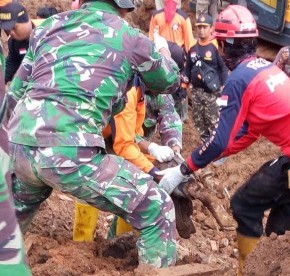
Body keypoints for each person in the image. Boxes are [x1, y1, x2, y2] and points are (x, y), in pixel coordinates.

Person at [155, 5, 290, 274]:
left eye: (221, 44)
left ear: (226, 45)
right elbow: (249, 132)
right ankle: (285, 268)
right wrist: (217, 155)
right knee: (282, 229)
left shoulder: (239, 78)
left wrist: (185, 168)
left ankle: (250, 271)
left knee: (243, 204)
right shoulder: (265, 69)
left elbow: (220, 139)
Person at [4, 0, 181, 269]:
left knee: (10, 228)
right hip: (69, 153)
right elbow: (169, 81)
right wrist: (163, 52)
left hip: (21, 145)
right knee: (158, 209)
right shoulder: (130, 37)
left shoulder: (49, 26)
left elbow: (15, 93)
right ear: (126, 5)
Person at [73, 76, 183, 241]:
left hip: (131, 143)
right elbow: (124, 139)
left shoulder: (159, 89)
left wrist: (175, 149)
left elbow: (169, 118)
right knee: (88, 185)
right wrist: (153, 165)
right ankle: (82, 241)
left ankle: (119, 241)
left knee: (134, 189)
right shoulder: (128, 89)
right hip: (98, 137)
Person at [0, 1, 31, 273]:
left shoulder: (44, 36)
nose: (9, 34)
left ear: (25, 19)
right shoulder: (14, 43)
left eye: (12, 28)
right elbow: (12, 64)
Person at [184, 13, 228, 142]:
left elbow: (223, 68)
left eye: (205, 27)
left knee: (214, 121)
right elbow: (187, 68)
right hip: (196, 92)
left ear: (211, 28)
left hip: (212, 93)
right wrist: (183, 85)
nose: (201, 30)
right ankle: (205, 144)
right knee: (199, 121)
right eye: (199, 27)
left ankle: (218, 149)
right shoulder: (192, 49)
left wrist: (224, 87)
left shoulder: (216, 48)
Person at [0, 2, 48, 83]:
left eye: (14, 28)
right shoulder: (13, 42)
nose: (10, 32)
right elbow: (13, 62)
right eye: (7, 29)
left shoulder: (48, 31)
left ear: (26, 20)